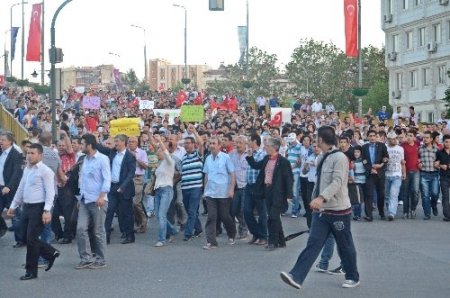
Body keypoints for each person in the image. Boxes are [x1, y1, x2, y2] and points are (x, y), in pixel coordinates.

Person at [280, 126, 360, 290]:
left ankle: (353, 276)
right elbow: (319, 181)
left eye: (317, 138)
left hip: (339, 211)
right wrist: (315, 200)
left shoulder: (340, 158)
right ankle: (296, 275)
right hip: (322, 212)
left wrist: (322, 197)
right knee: (313, 243)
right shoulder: (323, 156)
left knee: (345, 245)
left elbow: (337, 182)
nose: (315, 141)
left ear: (322, 140)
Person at [7, 143, 59, 280]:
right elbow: (20, 188)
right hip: (27, 207)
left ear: (40, 155)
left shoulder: (46, 171)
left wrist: (47, 210)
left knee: (31, 240)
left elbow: (50, 192)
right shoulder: (27, 169)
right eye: (28, 153)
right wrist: (13, 205)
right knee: (24, 237)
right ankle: (50, 252)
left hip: (39, 207)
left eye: (32, 153)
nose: (29, 156)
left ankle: (31, 271)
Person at [246, 137, 293, 251]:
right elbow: (256, 166)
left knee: (272, 217)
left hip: (278, 192)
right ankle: (281, 241)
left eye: (267, 146)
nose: (265, 147)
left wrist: (289, 195)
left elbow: (288, 179)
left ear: (273, 147)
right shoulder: (267, 158)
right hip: (267, 190)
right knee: (275, 217)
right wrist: (250, 156)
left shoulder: (283, 161)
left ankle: (272, 241)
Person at [75, 134, 111, 269]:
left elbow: (107, 179)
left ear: (89, 145)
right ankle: (86, 258)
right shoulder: (84, 160)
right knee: (80, 228)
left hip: (98, 200)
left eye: (82, 143)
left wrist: (102, 196)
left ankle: (101, 259)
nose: (80, 146)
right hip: (85, 200)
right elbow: (82, 180)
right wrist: (80, 197)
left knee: (98, 231)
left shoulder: (103, 159)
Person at [97, 134, 136, 244]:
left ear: (123, 142)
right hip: (112, 187)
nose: (116, 143)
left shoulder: (130, 156)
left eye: (117, 141)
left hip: (124, 187)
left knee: (126, 213)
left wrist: (123, 186)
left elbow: (131, 173)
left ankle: (129, 236)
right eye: (115, 141)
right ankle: (106, 237)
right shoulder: (112, 153)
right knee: (109, 211)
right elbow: (100, 148)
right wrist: (95, 139)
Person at [202, 137, 237, 250]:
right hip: (211, 192)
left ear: (219, 145)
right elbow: (206, 175)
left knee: (224, 216)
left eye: (214, 143)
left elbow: (232, 174)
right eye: (210, 143)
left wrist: (231, 189)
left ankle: (231, 234)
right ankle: (211, 242)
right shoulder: (207, 158)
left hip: (223, 192)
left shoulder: (225, 157)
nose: (211, 145)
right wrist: (205, 190)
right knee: (211, 216)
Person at [152, 135, 178, 247]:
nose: (158, 152)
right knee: (158, 215)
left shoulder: (170, 162)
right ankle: (172, 230)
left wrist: (159, 142)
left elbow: (166, 152)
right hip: (158, 191)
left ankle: (162, 239)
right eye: (157, 151)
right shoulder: (159, 164)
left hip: (166, 190)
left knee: (162, 214)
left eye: (160, 151)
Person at [0, 132, 24, 244]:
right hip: (0, 187)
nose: (1, 142)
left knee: (15, 215)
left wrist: (9, 186)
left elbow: (17, 172)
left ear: (10, 141)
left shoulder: (16, 154)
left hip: (10, 189)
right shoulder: (1, 153)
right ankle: (3, 228)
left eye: (3, 140)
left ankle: (20, 239)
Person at [180, 133, 204, 241]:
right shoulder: (183, 158)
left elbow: (202, 143)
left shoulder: (198, 154)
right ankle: (198, 228)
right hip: (185, 187)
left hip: (196, 187)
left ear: (194, 144)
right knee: (190, 210)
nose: (186, 145)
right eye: (185, 143)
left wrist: (194, 130)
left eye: (188, 143)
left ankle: (188, 233)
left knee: (192, 210)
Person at [244, 134, 267, 246]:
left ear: (254, 141)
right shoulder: (249, 154)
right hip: (248, 185)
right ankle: (256, 233)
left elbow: (257, 167)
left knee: (262, 212)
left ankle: (263, 236)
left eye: (249, 140)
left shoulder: (262, 154)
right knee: (246, 211)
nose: (247, 142)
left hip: (258, 186)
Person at [362, 130, 389, 221]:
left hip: (380, 173)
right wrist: (371, 169)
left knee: (380, 194)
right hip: (370, 174)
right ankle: (369, 215)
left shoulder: (382, 146)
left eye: (374, 135)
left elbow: (386, 157)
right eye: (370, 136)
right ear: (368, 137)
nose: (372, 137)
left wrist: (381, 165)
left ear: (376, 136)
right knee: (368, 194)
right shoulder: (364, 147)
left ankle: (381, 213)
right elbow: (364, 161)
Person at [229, 135, 249, 240]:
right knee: (233, 210)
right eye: (237, 143)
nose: (238, 145)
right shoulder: (231, 155)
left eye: (240, 143)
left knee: (243, 210)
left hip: (246, 186)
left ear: (245, 144)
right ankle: (232, 231)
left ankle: (243, 230)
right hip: (235, 186)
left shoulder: (249, 155)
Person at [128, 136, 149, 233]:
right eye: (129, 142)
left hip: (138, 178)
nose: (131, 143)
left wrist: (136, 158)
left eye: (133, 142)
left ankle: (143, 221)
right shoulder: (125, 153)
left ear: (137, 143)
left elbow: (145, 166)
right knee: (129, 204)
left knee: (135, 202)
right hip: (128, 179)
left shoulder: (142, 152)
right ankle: (136, 223)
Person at [418, 131, 439, 220]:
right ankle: (427, 213)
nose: (425, 139)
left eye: (427, 138)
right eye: (424, 138)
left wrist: (439, 162)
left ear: (431, 139)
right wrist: (418, 163)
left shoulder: (436, 149)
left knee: (435, 193)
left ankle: (433, 205)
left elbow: (440, 159)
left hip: (434, 174)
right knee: (425, 195)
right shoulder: (420, 149)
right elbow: (417, 158)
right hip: (424, 174)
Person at [385, 132, 406, 221]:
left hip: (397, 174)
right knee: (387, 195)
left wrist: (404, 172)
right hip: (387, 174)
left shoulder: (400, 149)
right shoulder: (385, 148)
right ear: (389, 140)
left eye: (395, 138)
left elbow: (402, 162)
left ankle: (391, 213)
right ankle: (389, 208)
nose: (395, 140)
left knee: (394, 194)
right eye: (393, 139)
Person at [400, 129, 420, 219]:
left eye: (411, 135)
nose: (409, 137)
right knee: (405, 192)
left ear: (414, 137)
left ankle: (413, 209)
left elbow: (421, 155)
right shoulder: (402, 146)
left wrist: (420, 161)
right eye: (408, 135)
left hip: (416, 171)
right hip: (406, 171)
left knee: (415, 192)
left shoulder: (418, 145)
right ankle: (405, 211)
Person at [436, 134, 450, 221]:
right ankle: (447, 215)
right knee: (445, 196)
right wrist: (441, 165)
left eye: (449, 142)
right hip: (444, 176)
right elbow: (436, 164)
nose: (448, 143)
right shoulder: (439, 152)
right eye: (446, 142)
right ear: (443, 142)